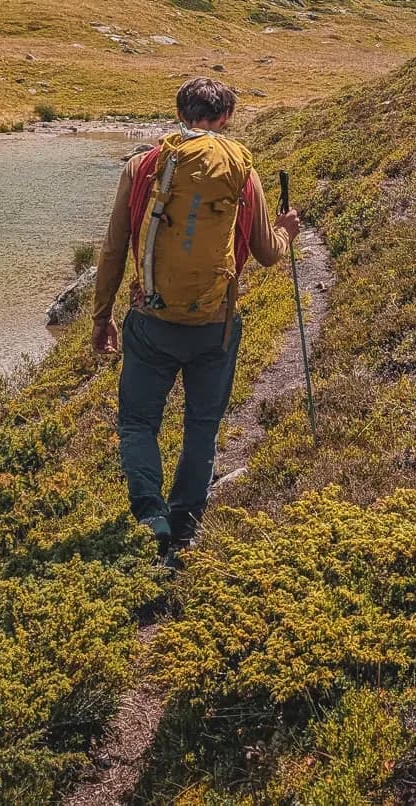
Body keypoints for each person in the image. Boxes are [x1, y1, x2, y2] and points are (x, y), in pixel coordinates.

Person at [90, 76, 301, 556]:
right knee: (201, 425)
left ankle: (150, 516)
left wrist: (102, 317)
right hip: (215, 325)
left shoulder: (142, 165)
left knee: (138, 423)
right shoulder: (242, 173)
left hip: (150, 321)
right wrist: (286, 230)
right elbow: (268, 253)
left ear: (180, 113)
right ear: (226, 118)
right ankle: (185, 528)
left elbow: (114, 248)